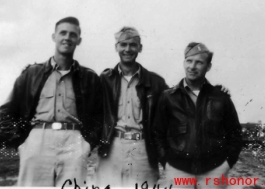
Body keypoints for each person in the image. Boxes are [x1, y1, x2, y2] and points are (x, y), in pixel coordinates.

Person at [0, 17, 103, 187]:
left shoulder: (89, 78)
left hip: (74, 141)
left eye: (72, 34)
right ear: (53, 36)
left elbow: (100, 116)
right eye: (63, 33)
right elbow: (6, 110)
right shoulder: (32, 74)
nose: (67, 38)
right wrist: (20, 142)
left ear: (79, 40)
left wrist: (87, 144)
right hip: (38, 139)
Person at [153, 42, 242, 189]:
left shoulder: (221, 97)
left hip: (215, 170)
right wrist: (166, 163)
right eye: (189, 61)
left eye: (199, 62)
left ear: (208, 67)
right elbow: (157, 133)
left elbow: (235, 133)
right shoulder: (168, 97)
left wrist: (227, 164)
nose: (192, 67)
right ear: (184, 63)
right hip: (178, 170)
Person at [96, 27, 168, 187]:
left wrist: (213, 90)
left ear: (140, 48)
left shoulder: (156, 82)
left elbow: (177, 103)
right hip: (111, 147)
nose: (127, 49)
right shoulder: (104, 80)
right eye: (123, 44)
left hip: (143, 150)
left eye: (133, 45)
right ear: (116, 47)